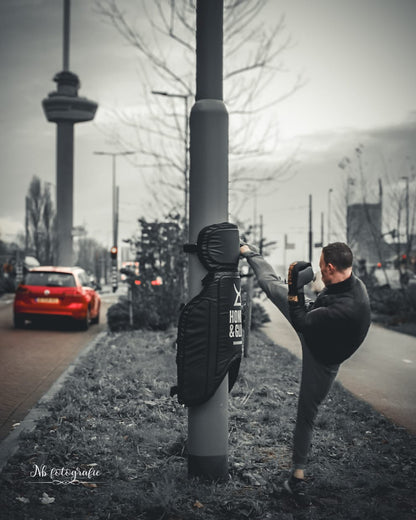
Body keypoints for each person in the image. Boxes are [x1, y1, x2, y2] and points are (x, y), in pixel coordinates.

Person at [240, 241, 371, 506]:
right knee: (273, 286)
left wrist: (295, 288)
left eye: (322, 266)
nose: (320, 271)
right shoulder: (350, 282)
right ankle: (249, 252)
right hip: (317, 317)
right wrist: (299, 292)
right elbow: (315, 306)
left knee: (306, 412)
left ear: (332, 267)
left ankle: (297, 478)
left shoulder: (348, 307)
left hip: (321, 356)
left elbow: (301, 321)